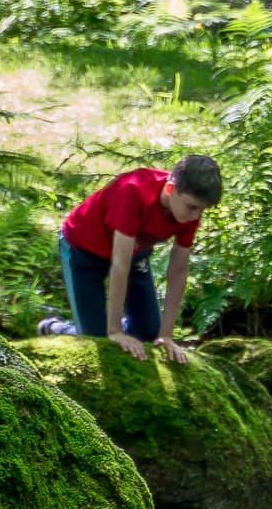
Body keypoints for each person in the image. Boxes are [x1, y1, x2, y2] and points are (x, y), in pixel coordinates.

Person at [60, 153, 221, 362]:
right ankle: (58, 328)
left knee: (148, 333)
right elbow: (119, 264)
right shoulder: (134, 190)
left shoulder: (188, 212)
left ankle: (115, 325)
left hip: (134, 255)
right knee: (98, 340)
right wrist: (115, 331)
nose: (195, 216)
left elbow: (179, 271)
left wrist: (166, 335)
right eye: (192, 207)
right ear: (171, 188)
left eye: (202, 210)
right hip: (83, 248)